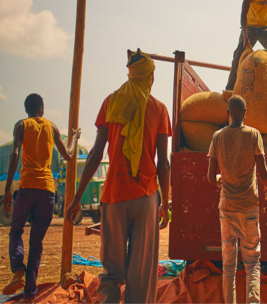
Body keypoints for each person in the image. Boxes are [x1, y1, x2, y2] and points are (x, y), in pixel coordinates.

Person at [66, 49, 171, 304]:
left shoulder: (111, 103)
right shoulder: (159, 109)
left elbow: (95, 154)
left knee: (111, 270)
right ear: (149, 77)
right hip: (146, 197)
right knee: (140, 273)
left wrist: (77, 198)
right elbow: (163, 163)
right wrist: (165, 203)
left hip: (114, 195)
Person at [2, 94, 81, 303]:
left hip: (27, 188)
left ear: (26, 108)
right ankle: (29, 294)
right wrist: (75, 137)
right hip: (47, 191)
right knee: (36, 243)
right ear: (42, 109)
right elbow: (69, 155)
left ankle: (18, 270)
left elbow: (14, 154)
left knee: (16, 231)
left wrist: (9, 189)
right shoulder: (51, 127)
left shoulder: (21, 125)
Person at [207, 95, 267, 304]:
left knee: (228, 266)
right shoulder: (254, 135)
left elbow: (210, 176)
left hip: (226, 209)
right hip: (249, 209)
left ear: (228, 113)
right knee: (252, 263)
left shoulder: (217, 137)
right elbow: (262, 172)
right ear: (245, 113)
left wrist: (219, 178)